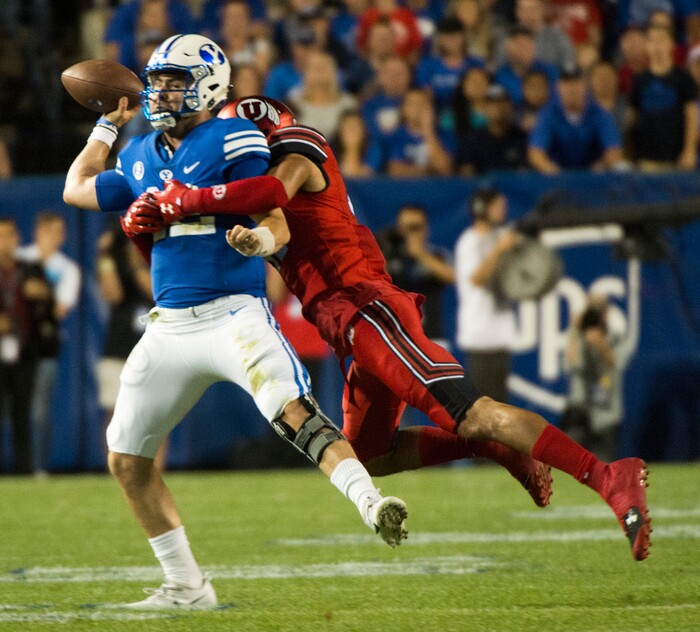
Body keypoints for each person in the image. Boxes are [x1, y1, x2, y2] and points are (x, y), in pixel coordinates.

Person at [147, 95, 653, 562]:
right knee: (368, 455)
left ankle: (608, 475)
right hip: (349, 328)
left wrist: (187, 197)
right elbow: (258, 216)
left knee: (472, 413)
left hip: (369, 311)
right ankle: (491, 447)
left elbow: (272, 188)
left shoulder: (297, 150)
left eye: (231, 143)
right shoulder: (254, 186)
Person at [62, 34, 407, 609]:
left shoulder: (232, 135)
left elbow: (277, 218)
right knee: (125, 457)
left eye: (173, 81)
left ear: (209, 84)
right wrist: (106, 123)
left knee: (293, 412)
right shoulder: (140, 151)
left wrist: (258, 239)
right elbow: (75, 188)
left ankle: (370, 502)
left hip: (232, 315)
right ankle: (187, 587)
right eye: (155, 81)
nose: (158, 92)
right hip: (168, 327)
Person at [16, 211, 81, 475]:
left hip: (44, 347)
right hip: (16, 344)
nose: (57, 237)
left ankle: (38, 467)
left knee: (39, 409)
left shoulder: (67, 268)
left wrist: (39, 292)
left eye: (60, 232)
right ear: (38, 232)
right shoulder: (20, 258)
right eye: (51, 231)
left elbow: (60, 309)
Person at [454, 189, 517, 404]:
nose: (503, 211)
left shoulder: (499, 237)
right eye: (498, 206)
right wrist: (500, 249)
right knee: (485, 405)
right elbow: (477, 278)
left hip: (500, 335)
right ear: (482, 208)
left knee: (502, 405)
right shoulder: (469, 241)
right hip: (480, 336)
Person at [0, 217, 50, 474]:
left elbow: (47, 296)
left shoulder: (29, 267)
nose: (5, 242)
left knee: (23, 413)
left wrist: (40, 291)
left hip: (24, 350)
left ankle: (24, 469)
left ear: (18, 238)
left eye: (10, 235)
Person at [563, 295, 636, 462]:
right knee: (569, 465)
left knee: (603, 465)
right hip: (580, 410)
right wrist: (575, 329)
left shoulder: (616, 339)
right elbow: (571, 361)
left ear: (606, 313)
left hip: (605, 411)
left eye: (599, 309)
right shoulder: (578, 337)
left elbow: (615, 364)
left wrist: (600, 343)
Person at [378, 204, 455, 347]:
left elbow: (454, 277)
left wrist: (420, 254)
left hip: (431, 336)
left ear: (426, 228)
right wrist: (388, 255)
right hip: (395, 336)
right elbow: (373, 284)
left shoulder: (436, 255)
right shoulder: (390, 257)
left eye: (415, 227)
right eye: (405, 228)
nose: (410, 233)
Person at [528, 66, 625, 173]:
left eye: (576, 83)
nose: (571, 88)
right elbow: (536, 153)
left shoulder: (599, 113)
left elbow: (613, 150)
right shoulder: (548, 114)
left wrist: (603, 165)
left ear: (585, 86)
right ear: (558, 87)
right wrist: (550, 169)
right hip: (557, 181)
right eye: (566, 83)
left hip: (593, 180)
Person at [628, 24, 698, 171]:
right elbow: (632, 119)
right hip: (646, 160)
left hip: (676, 160)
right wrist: (629, 154)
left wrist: (689, 151)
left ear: (671, 44)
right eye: (652, 41)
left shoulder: (683, 78)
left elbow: (691, 116)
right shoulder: (639, 80)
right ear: (646, 46)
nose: (656, 46)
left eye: (661, 40)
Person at [456, 83, 529, 175]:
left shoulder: (524, 139)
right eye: (492, 103)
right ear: (485, 108)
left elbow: (528, 175)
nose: (498, 107)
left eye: (502, 102)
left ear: (511, 107)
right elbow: (467, 176)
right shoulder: (472, 141)